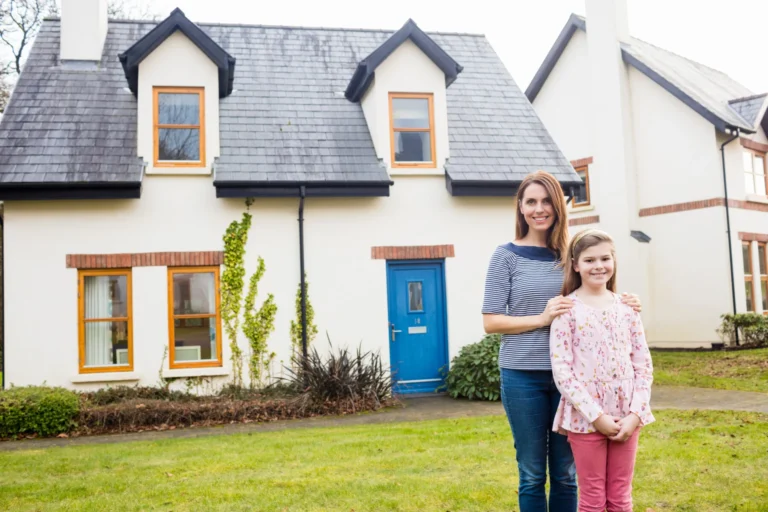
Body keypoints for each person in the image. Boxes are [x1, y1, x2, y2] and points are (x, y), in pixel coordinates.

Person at [481, 170, 641, 512]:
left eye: (547, 201)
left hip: (575, 383)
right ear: (521, 208)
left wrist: (627, 302)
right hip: (523, 375)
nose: (540, 209)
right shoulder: (505, 256)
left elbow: (598, 290)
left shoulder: (572, 252)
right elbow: (491, 322)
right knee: (532, 472)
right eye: (531, 202)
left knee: (567, 474)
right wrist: (541, 318)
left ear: (558, 205)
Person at [550, 228, 654, 512]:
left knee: (621, 497)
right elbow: (563, 372)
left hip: (627, 416)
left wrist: (636, 414)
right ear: (575, 264)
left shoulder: (628, 309)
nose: (598, 266)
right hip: (586, 419)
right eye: (589, 260)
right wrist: (597, 417)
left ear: (614, 261)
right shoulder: (566, 311)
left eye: (605, 258)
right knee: (593, 499)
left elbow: (643, 366)